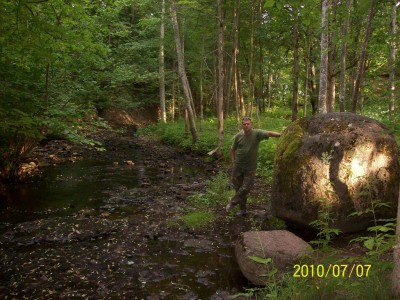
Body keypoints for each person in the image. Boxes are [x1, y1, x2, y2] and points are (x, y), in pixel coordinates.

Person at [226, 117, 281, 216]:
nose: (246, 125)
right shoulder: (238, 136)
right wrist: (233, 161)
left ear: (251, 125)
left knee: (246, 188)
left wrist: (280, 135)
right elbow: (232, 149)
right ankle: (243, 210)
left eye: (248, 124)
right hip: (238, 167)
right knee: (239, 189)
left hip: (250, 168)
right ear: (242, 125)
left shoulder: (257, 133)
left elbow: (268, 133)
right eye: (244, 124)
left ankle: (232, 201)